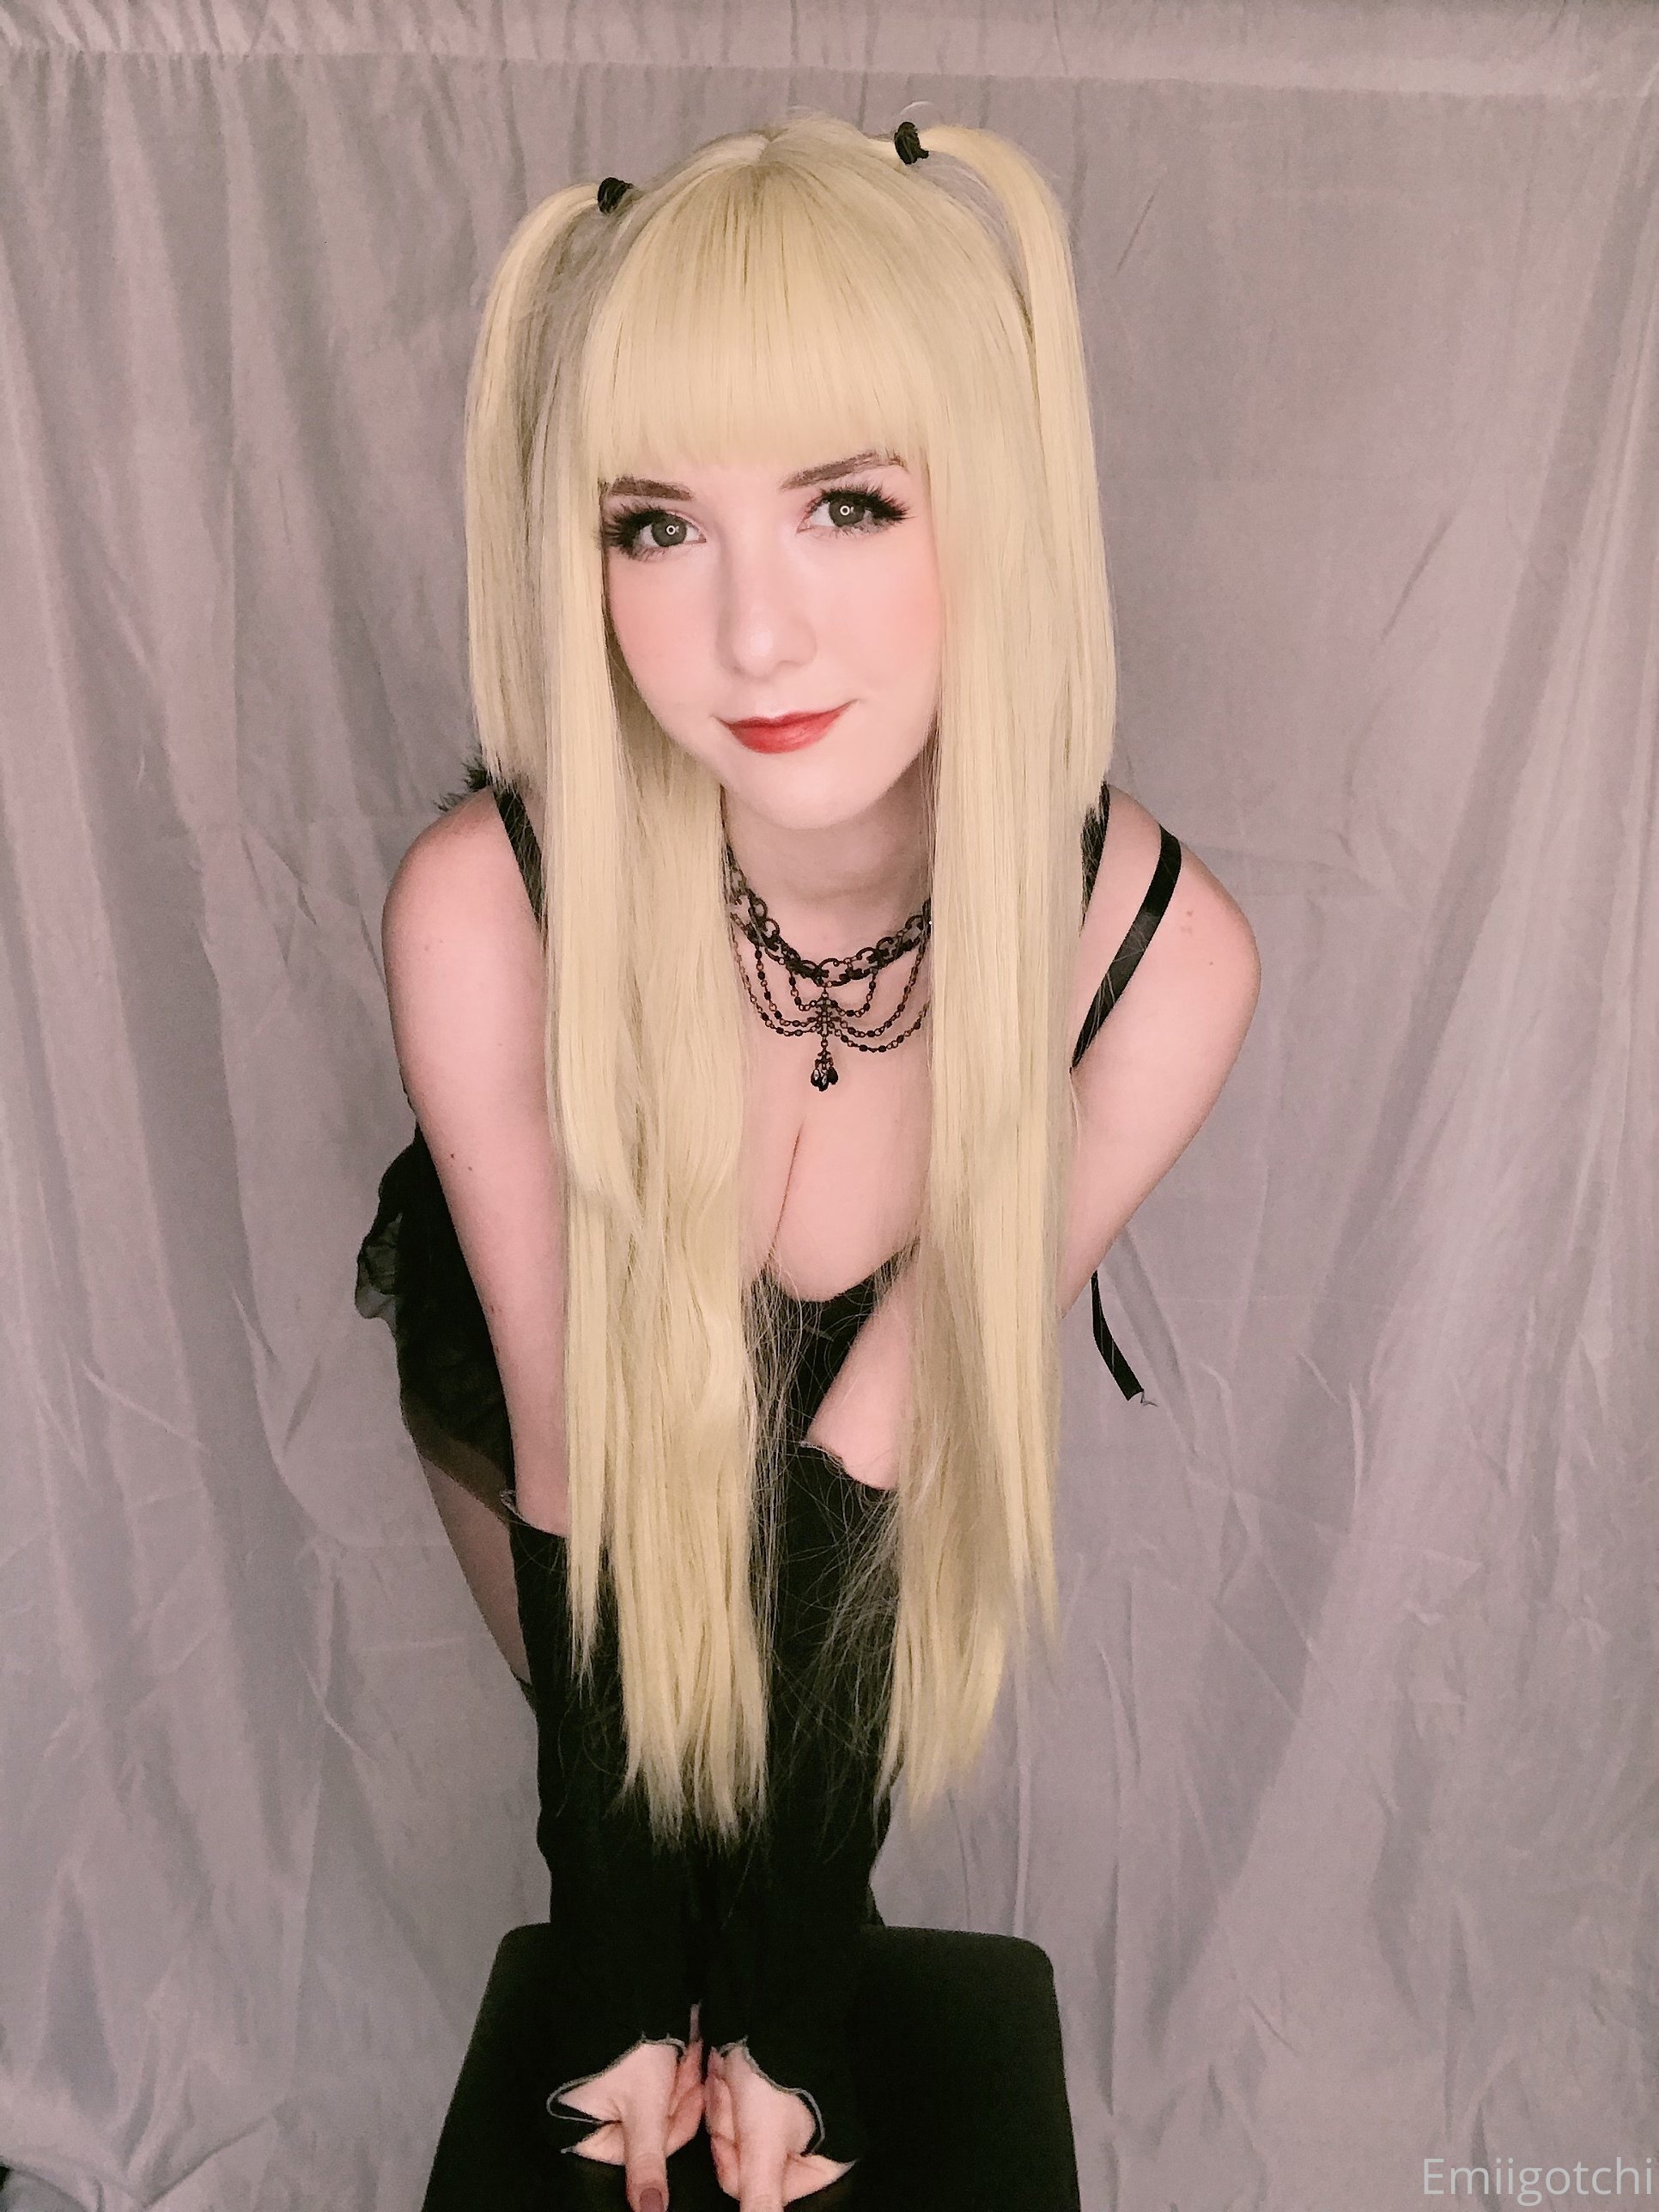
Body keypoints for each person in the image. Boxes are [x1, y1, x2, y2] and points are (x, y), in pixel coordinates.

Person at [356, 112, 1261, 2211]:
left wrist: (796, 1998)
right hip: (568, 1430)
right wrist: (619, 1969)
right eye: (655, 525)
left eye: (849, 503)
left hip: (857, 1455)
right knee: (647, 1858)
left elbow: (880, 1443)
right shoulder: (491, 910)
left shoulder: (1150, 962)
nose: (752, 636)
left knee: (773, 1873)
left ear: (994, 504)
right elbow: (581, 1450)